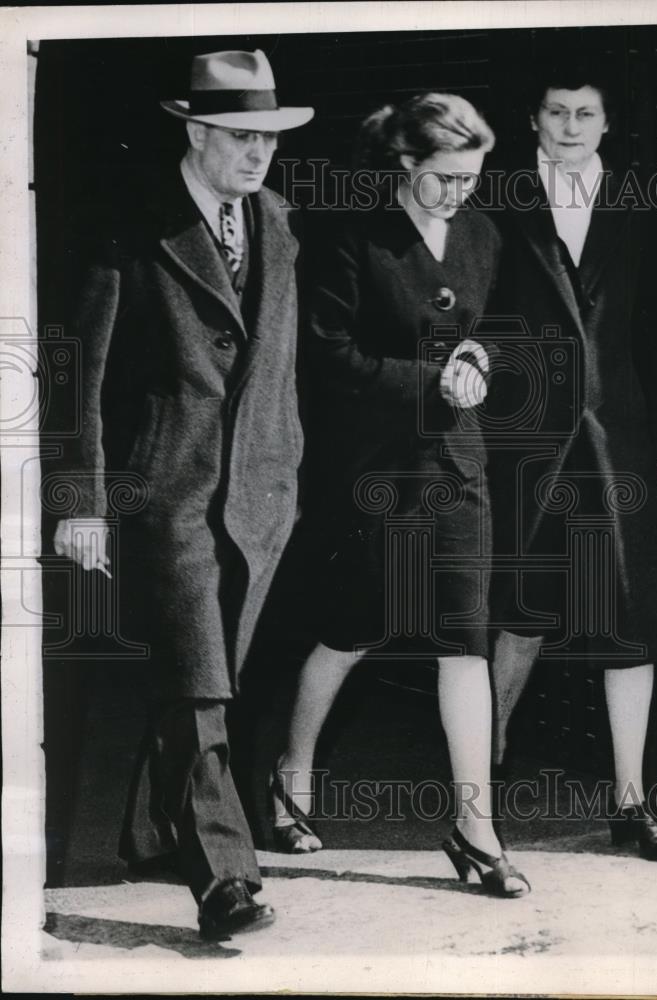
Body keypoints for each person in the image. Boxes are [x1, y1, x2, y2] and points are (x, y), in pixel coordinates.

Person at [52, 50, 313, 939]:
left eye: (267, 141)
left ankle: (152, 832)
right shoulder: (129, 226)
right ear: (196, 132)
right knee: (199, 676)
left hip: (263, 493)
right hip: (167, 488)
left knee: (208, 674)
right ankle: (224, 878)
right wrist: (79, 499)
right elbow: (76, 368)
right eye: (240, 138)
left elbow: (283, 364)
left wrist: (294, 467)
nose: (256, 156)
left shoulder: (278, 220)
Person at [270, 93, 530, 898]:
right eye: (446, 177)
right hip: (374, 470)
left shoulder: (483, 235)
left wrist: (480, 362)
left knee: (464, 639)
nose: (461, 192)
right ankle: (293, 772)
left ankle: (474, 826)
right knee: (355, 632)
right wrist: (431, 381)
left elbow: (495, 329)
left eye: (472, 178)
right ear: (404, 166)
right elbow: (328, 355)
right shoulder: (351, 238)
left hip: (456, 467)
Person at [486, 63, 657, 861]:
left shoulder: (641, 203)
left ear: (607, 124)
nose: (570, 127)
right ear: (533, 119)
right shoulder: (497, 195)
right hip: (524, 440)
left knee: (631, 624)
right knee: (519, 612)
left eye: (585, 114)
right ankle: (486, 775)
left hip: (622, 443)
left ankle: (632, 803)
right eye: (555, 112)